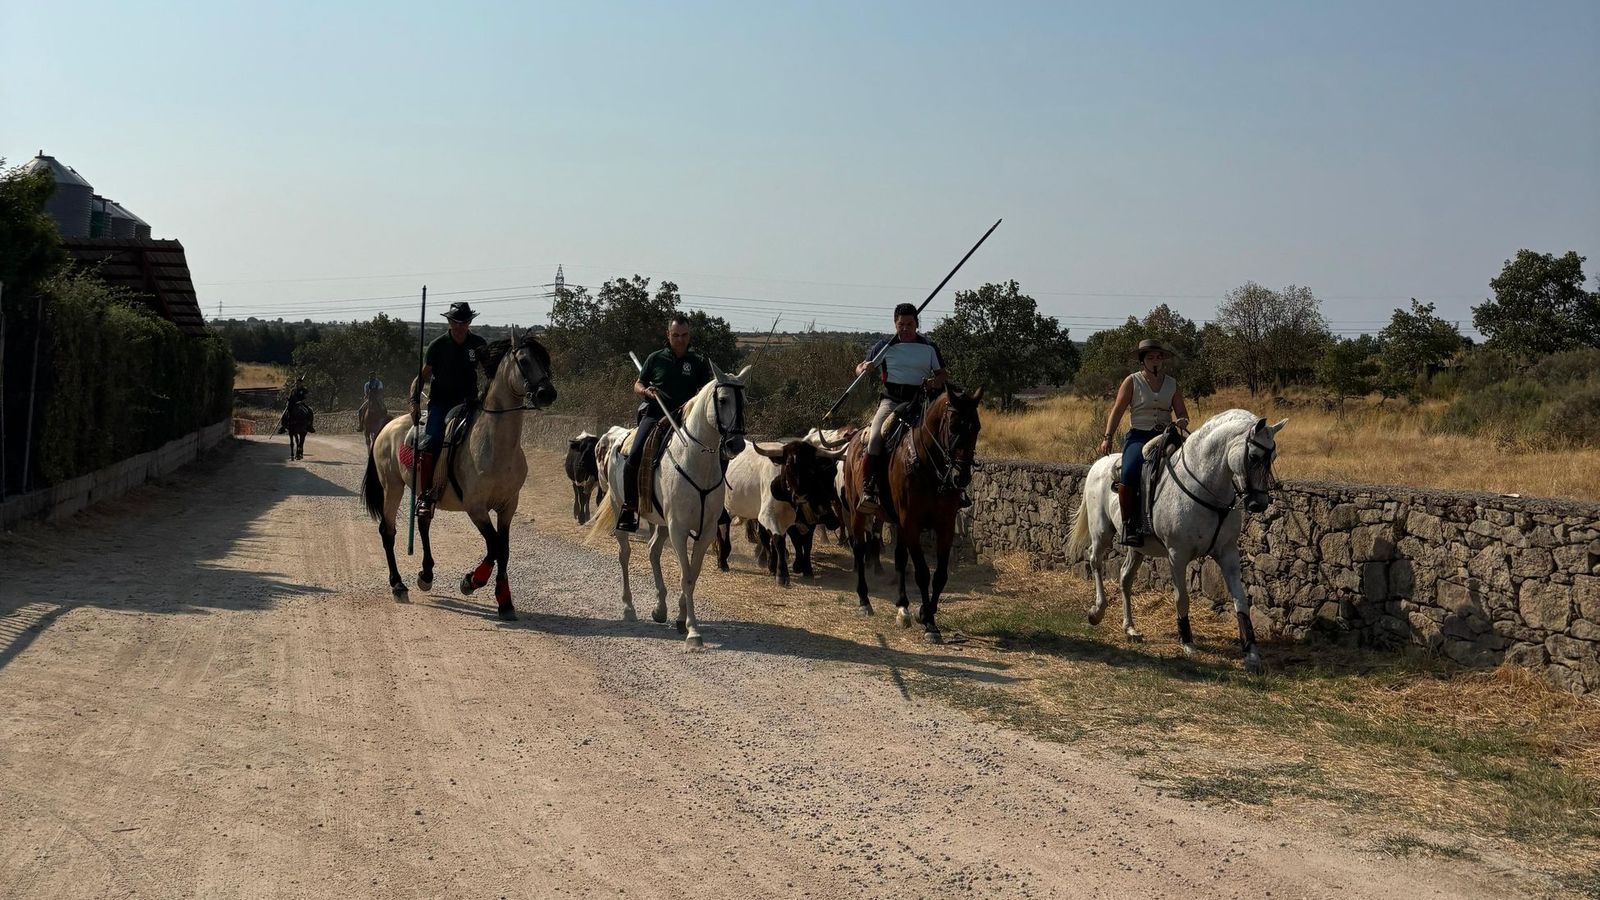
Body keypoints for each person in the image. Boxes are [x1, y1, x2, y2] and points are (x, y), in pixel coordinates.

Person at [617, 315, 714, 533]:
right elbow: (638, 383)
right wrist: (644, 391)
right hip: (655, 413)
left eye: (684, 335)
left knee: (715, 453)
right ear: (668, 335)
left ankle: (717, 506)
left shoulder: (697, 362)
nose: (680, 339)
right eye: (675, 335)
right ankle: (630, 508)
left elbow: (706, 392)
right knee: (634, 455)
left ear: (689, 335)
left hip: (686, 417)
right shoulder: (655, 358)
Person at [854, 302, 946, 515]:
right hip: (892, 401)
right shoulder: (884, 347)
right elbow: (859, 368)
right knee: (876, 436)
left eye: (909, 324)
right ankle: (869, 486)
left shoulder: (929, 347)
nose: (905, 328)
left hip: (922, 402)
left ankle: (950, 487)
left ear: (917, 324)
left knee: (945, 436)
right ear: (895, 324)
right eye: (901, 324)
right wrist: (864, 369)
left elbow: (942, 374)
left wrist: (935, 381)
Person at [1098, 339, 1191, 545]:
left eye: (1158, 357)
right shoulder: (1132, 381)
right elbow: (1118, 410)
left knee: (1190, 464)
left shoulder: (1172, 383)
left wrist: (1182, 420)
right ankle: (1129, 524)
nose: (1155, 360)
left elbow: (1182, 411)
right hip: (1139, 435)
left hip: (1166, 435)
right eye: (1150, 357)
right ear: (1143, 361)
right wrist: (1108, 437)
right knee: (1130, 470)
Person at [408, 302, 488, 517]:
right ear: (449, 322)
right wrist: (414, 404)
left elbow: (491, 372)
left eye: (464, 322)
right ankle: (426, 495)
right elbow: (421, 377)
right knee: (431, 441)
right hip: (441, 404)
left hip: (470, 403)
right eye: (455, 322)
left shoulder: (478, 344)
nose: (459, 326)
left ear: (470, 322)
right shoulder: (438, 345)